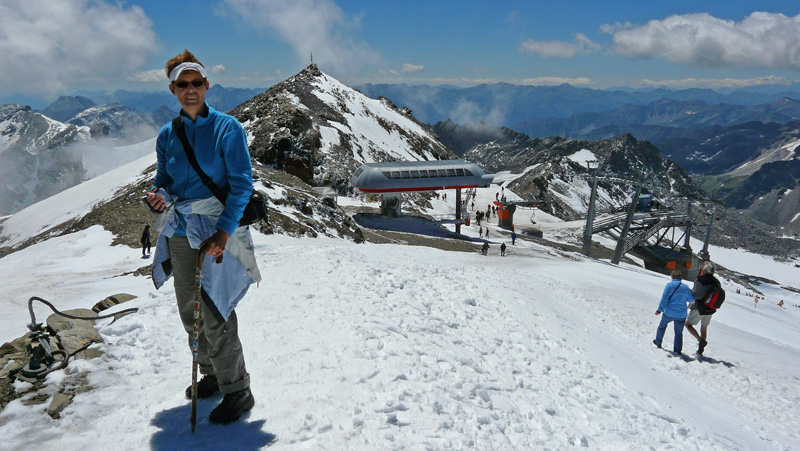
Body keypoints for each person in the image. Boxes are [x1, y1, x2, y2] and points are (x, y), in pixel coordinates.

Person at [146, 50, 261, 425]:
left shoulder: (229, 128)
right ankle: (211, 372)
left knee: (215, 310)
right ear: (173, 89)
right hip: (181, 229)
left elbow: (242, 184)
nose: (191, 89)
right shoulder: (168, 134)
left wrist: (224, 232)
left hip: (218, 227)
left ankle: (237, 388)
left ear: (207, 86)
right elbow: (164, 177)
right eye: (184, 84)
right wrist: (158, 193)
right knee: (189, 310)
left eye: (197, 83)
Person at [653, 270, 693, 354]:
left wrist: (659, 310)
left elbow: (664, 299)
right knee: (678, 333)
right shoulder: (686, 287)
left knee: (662, 326)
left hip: (669, 312)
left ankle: (658, 342)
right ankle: (677, 350)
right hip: (681, 314)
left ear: (672, 277)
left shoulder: (669, 285)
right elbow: (691, 299)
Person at [686, 261, 720, 355]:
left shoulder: (700, 280)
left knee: (688, 325)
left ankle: (700, 340)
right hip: (711, 308)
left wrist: (690, 291)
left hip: (699, 307)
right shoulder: (716, 282)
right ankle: (701, 349)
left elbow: (697, 295)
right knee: (704, 328)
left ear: (705, 270)